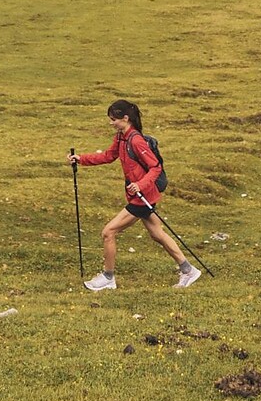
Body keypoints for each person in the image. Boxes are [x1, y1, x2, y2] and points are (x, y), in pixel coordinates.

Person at [71, 99, 200, 291]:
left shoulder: (136, 140)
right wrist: (81, 159)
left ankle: (108, 277)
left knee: (108, 232)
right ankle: (188, 270)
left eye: (113, 119)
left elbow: (155, 167)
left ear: (125, 118)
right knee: (157, 234)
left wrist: (140, 185)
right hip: (140, 196)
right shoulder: (121, 138)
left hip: (142, 198)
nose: (111, 123)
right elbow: (108, 156)